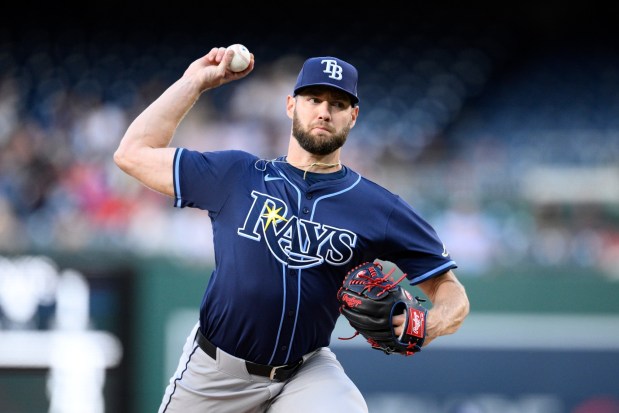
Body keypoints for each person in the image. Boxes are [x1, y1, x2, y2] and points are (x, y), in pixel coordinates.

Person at [114, 46, 470, 413]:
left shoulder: (379, 208)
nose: (324, 111)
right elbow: (132, 153)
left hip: (305, 373)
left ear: (353, 116)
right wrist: (194, 83)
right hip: (215, 375)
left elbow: (450, 292)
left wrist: (426, 326)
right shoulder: (236, 175)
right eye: (314, 98)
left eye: (338, 103)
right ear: (290, 105)